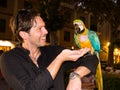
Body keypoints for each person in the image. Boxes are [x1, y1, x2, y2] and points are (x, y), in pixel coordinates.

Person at [0, 9, 98, 90]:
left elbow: (91, 58)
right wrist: (59, 59)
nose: (46, 31)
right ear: (24, 34)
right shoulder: (9, 58)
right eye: (39, 28)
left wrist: (75, 76)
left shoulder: (54, 52)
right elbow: (31, 88)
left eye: (45, 27)